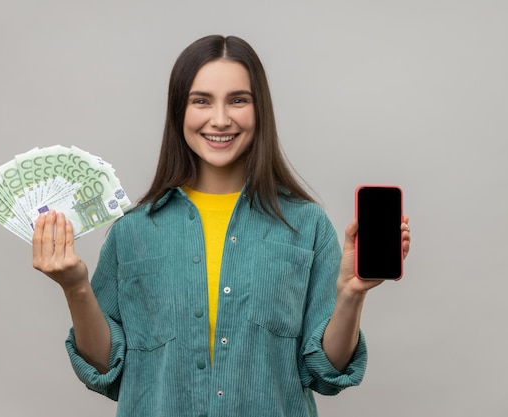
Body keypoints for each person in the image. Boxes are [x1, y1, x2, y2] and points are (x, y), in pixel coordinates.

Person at [32, 34, 411, 417]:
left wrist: (351, 293)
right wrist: (75, 287)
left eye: (238, 100)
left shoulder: (306, 225)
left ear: (259, 109)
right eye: (201, 101)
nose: (220, 119)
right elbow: (103, 368)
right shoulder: (134, 231)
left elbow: (327, 373)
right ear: (179, 110)